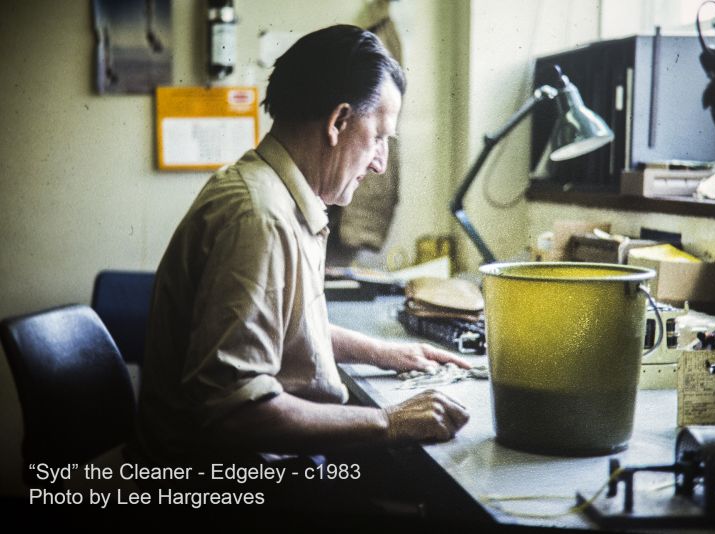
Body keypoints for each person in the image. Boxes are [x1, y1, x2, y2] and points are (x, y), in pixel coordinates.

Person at [135, 24, 470, 482]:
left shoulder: (273, 193)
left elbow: (285, 326)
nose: (380, 162)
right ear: (338, 122)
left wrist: (385, 353)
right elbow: (234, 412)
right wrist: (389, 421)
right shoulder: (261, 217)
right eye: (378, 138)